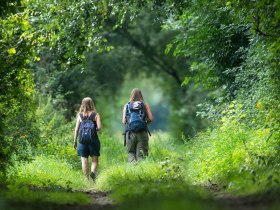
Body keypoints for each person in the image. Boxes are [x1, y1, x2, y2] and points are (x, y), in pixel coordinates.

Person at [74, 97, 101, 181]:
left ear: (83, 104)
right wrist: (93, 130)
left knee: (84, 160)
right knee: (95, 159)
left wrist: (75, 141)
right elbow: (99, 127)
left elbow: (76, 130)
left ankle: (86, 179)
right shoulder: (96, 114)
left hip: (82, 142)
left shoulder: (80, 115)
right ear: (91, 103)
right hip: (93, 141)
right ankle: (93, 172)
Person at [122, 88, 153, 163]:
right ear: (141, 95)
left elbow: (124, 121)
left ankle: (133, 172)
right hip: (142, 133)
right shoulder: (144, 105)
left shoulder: (127, 106)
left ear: (131, 95)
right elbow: (151, 119)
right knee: (141, 155)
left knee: (131, 153)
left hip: (130, 133)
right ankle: (142, 173)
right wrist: (144, 123)